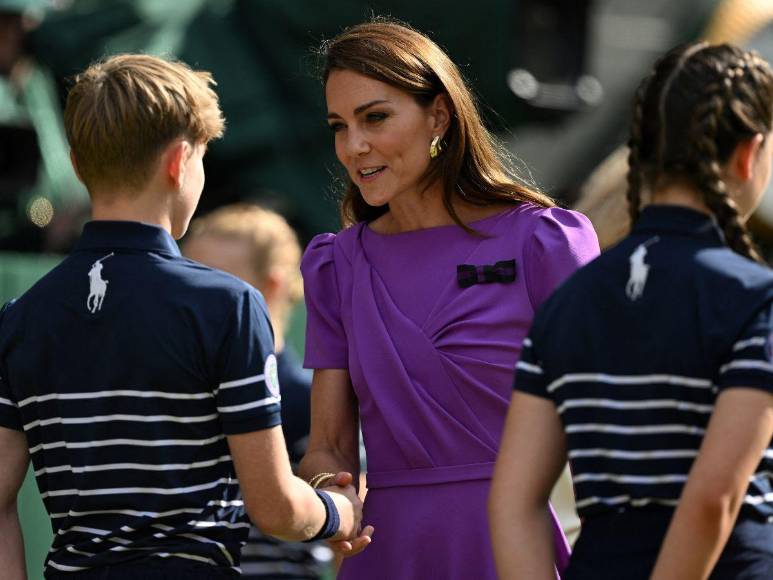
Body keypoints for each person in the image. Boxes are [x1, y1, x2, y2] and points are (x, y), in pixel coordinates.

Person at [0, 54, 362, 579]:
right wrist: (339, 512)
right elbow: (275, 508)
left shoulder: (21, 318)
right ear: (179, 161)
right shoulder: (229, 306)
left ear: (77, 166)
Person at [298, 19, 600, 580]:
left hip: (518, 550)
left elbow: (608, 423)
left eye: (376, 117)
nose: (353, 146)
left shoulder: (545, 241)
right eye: (339, 126)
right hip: (387, 555)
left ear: (438, 115)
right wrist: (330, 492)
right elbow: (329, 445)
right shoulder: (335, 265)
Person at [489, 42, 773, 580]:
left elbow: (513, 502)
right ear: (749, 153)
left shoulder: (570, 301)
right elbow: (712, 497)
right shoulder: (757, 298)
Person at [183, 203, 331, 579]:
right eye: (186, 281)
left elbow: (351, 528)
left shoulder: (307, 400)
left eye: (216, 284)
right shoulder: (178, 391)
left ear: (273, 286)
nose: (193, 301)